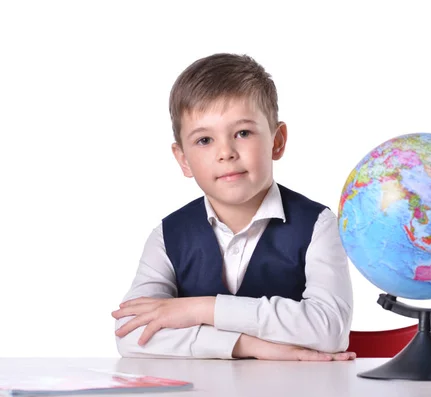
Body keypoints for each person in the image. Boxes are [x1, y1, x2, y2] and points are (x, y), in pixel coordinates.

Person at [111, 53, 354, 361]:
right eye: (204, 140)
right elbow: (130, 333)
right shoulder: (168, 236)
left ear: (277, 142)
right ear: (183, 159)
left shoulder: (318, 225)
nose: (225, 152)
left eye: (242, 133)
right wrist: (246, 345)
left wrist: (202, 309)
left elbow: (330, 329)